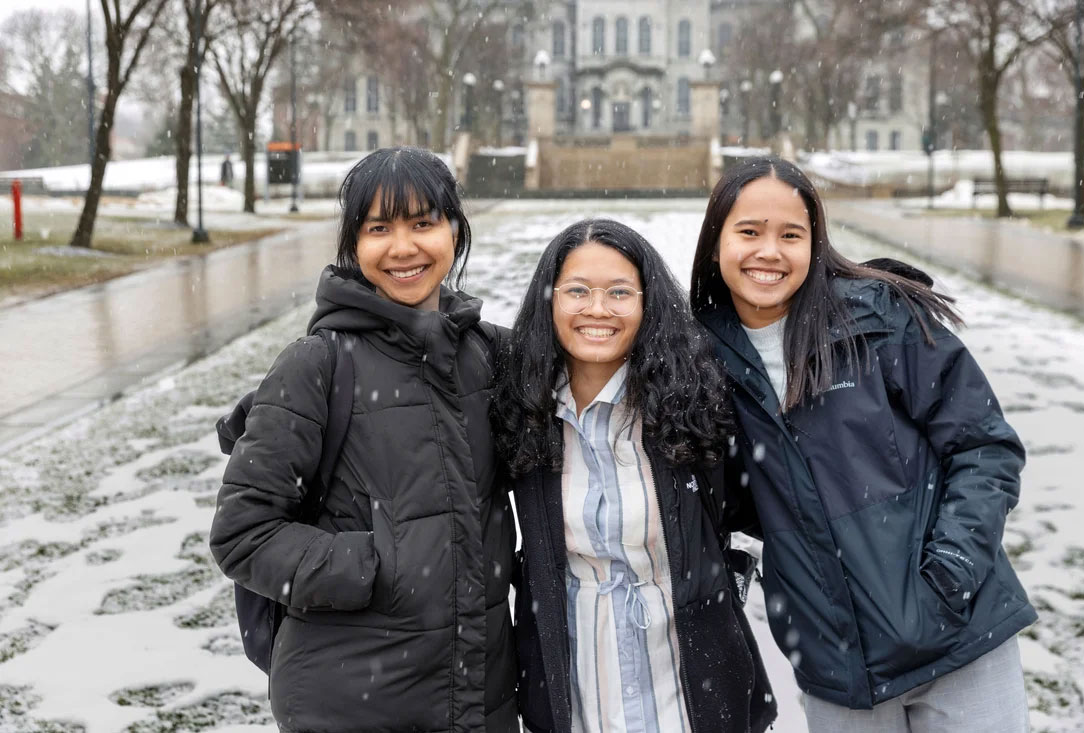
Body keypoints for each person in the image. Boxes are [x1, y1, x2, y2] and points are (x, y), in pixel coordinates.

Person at [689, 156, 1036, 732]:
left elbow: (984, 448)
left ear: (815, 242)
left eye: (790, 234)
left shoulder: (880, 318)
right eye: (748, 231)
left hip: (962, 639)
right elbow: (726, 497)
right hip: (837, 668)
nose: (768, 252)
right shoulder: (701, 361)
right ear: (716, 241)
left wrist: (949, 573)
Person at [209, 146, 518, 732]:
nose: (404, 248)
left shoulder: (487, 357)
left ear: (455, 230)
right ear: (354, 245)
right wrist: (376, 567)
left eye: (424, 223)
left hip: (477, 695)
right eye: (380, 228)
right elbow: (243, 535)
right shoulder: (316, 365)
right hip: (349, 700)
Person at [493, 219, 777, 733]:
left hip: (692, 692)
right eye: (577, 291)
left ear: (648, 303)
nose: (597, 309)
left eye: (619, 292)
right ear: (548, 301)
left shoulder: (691, 404)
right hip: (574, 693)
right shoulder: (522, 408)